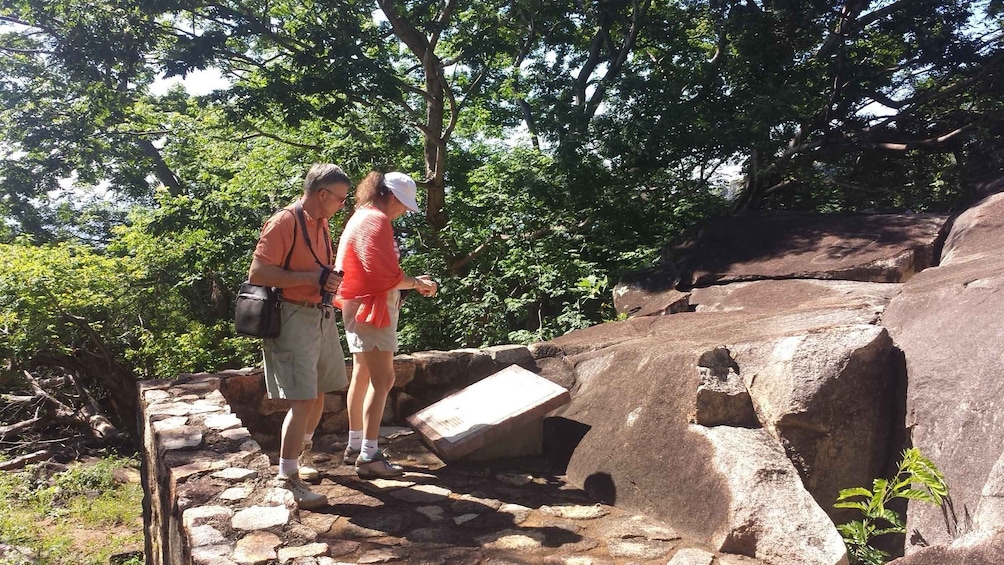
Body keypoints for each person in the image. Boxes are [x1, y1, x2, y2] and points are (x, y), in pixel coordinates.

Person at [247, 163, 350, 509]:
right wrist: (314, 278)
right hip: (291, 317)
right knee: (303, 400)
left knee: (318, 394)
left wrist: (326, 280)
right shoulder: (284, 222)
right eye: (340, 199)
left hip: (318, 315)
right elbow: (259, 273)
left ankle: (302, 458)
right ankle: (286, 479)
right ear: (322, 194)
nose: (342, 206)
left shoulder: (321, 223)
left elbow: (317, 274)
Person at [335, 171, 438, 478]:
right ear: (390, 197)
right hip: (372, 309)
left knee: (363, 376)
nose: (405, 211)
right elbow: (381, 276)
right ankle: (368, 455)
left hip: (357, 307)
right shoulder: (376, 221)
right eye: (404, 204)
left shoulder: (359, 216)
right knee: (384, 380)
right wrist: (418, 282)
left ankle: (355, 445)